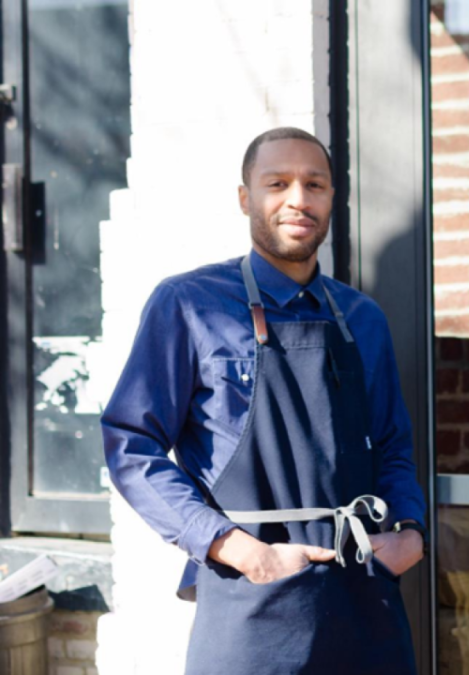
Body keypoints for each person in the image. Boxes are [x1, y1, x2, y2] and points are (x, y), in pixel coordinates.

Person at [102, 127, 426, 675]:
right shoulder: (189, 304)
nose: (298, 198)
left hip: (366, 597)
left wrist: (410, 535)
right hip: (252, 598)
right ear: (246, 198)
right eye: (278, 183)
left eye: (314, 184)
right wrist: (237, 549)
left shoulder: (362, 318)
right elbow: (132, 444)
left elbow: (393, 444)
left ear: (332, 198)